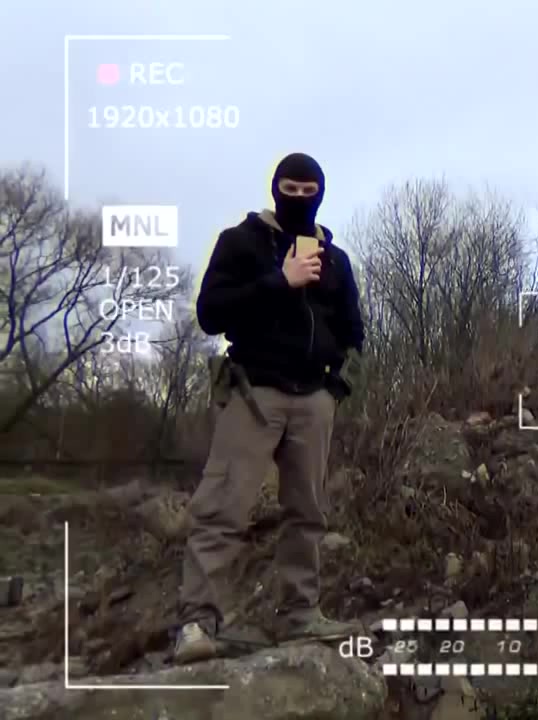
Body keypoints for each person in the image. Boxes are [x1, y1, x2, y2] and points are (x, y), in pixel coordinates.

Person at [174, 152, 365, 664]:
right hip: (253, 393)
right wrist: (279, 280)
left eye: (309, 191)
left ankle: (300, 616)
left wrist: (336, 385)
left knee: (308, 512)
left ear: (321, 193)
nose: (299, 198)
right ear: (275, 188)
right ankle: (197, 624)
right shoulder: (240, 243)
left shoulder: (336, 260)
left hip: (315, 398)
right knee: (222, 507)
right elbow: (210, 314)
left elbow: (353, 328)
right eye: (290, 189)